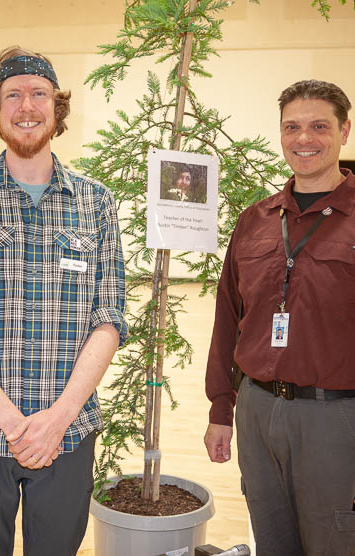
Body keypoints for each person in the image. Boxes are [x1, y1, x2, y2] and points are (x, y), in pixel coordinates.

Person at [0, 46, 127, 555]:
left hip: (69, 432)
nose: (27, 105)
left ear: (57, 109)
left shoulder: (96, 203)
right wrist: (15, 425)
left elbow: (109, 318)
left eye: (39, 93)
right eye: (12, 94)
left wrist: (56, 420)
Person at [204, 79, 355, 555]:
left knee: (335, 538)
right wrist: (220, 409)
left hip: (335, 416)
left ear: (344, 131)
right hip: (258, 411)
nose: (303, 139)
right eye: (292, 127)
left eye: (318, 126)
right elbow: (227, 318)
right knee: (271, 538)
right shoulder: (256, 220)